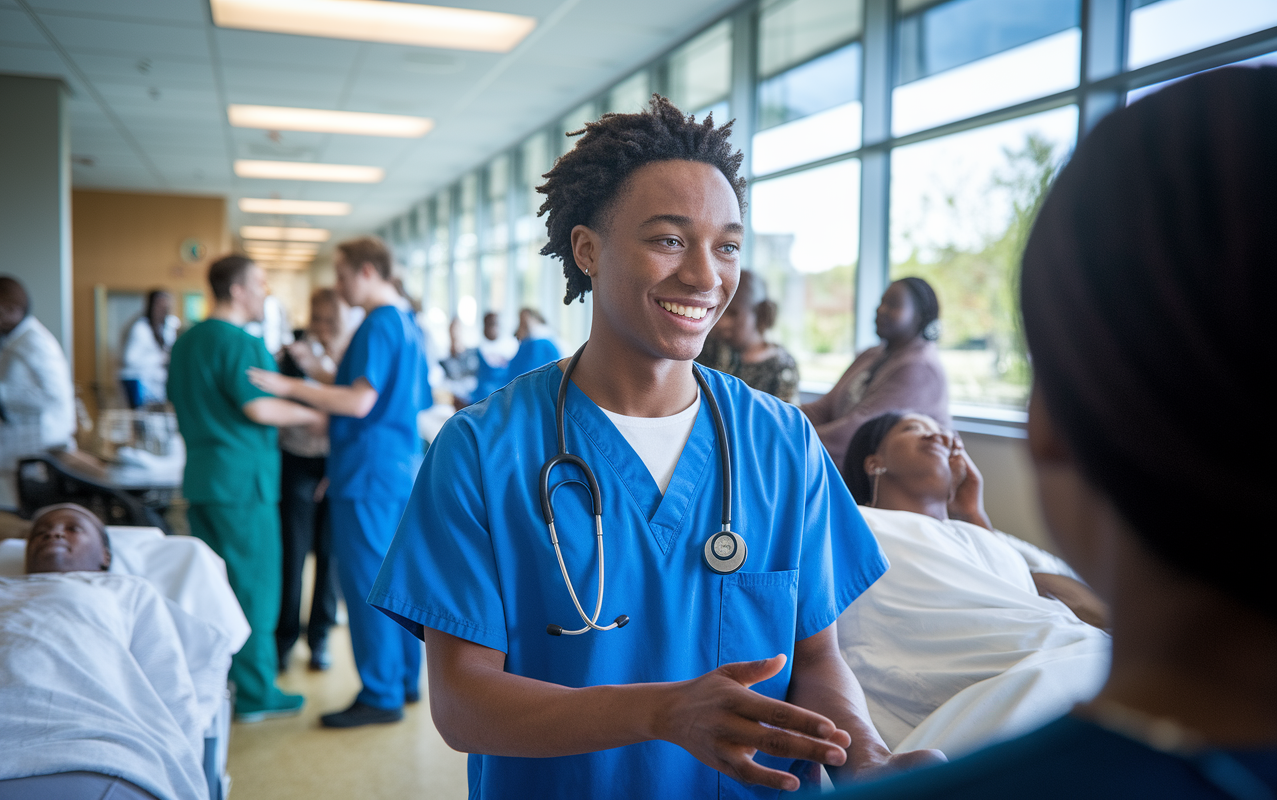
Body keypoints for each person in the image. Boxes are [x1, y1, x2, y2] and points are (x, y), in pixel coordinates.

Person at [368, 96, 943, 799]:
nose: (706, 276)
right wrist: (661, 712)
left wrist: (866, 761)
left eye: (726, 245)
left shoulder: (780, 444)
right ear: (587, 249)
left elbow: (817, 656)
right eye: (670, 239)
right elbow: (463, 705)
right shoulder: (483, 451)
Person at [837, 67, 1277, 799]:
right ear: (874, 460)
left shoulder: (995, 550)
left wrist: (981, 528)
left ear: (1050, 426)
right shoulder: (856, 529)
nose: (946, 440)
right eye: (921, 433)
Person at [836, 412, 1110, 754]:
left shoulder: (981, 537)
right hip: (979, 681)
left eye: (944, 433)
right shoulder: (854, 523)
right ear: (874, 462)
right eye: (914, 428)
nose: (939, 437)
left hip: (1066, 653)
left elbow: (1019, 597)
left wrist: (972, 512)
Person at [248, 236, 429, 729]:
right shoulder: (408, 325)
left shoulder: (377, 325)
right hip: (390, 471)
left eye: (343, 274)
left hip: (368, 475)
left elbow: (357, 403)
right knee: (397, 583)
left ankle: (380, 692)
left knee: (370, 586)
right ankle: (405, 681)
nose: (339, 284)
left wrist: (290, 386)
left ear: (369, 271)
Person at [167, 255, 324, 723]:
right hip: (244, 486)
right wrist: (314, 415)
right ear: (236, 290)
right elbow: (260, 409)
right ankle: (256, 692)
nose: (265, 292)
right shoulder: (240, 342)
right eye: (259, 283)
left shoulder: (187, 341)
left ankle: (220, 680)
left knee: (213, 586)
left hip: (202, 479)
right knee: (254, 588)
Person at [0, 504, 218, 800]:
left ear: (105, 556)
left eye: (73, 528)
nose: (53, 532)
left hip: (90, 750)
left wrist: (184, 778)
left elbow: (170, 688)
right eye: (40, 532)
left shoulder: (126, 591)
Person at [273, 288, 354, 673]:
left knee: (330, 557)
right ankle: (284, 637)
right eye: (319, 318)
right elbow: (280, 405)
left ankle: (318, 637)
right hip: (298, 461)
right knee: (293, 553)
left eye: (332, 319)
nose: (325, 326)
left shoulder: (351, 358)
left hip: (336, 464)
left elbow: (356, 412)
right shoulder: (291, 356)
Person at [801, 278, 949, 469]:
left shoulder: (919, 368)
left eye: (893, 305)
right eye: (881, 302)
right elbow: (823, 408)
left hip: (892, 486)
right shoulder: (871, 354)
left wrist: (792, 439)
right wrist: (778, 419)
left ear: (919, 316)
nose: (880, 310)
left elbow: (858, 432)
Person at [0, 275, 76, 510]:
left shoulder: (35, 342)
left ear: (13, 310)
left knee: (30, 514)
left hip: (40, 445)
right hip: (18, 444)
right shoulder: (12, 341)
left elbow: (53, 395)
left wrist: (1, 392)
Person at [697, 269, 799, 402]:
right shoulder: (709, 347)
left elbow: (783, 418)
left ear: (761, 313)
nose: (721, 323)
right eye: (718, 309)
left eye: (732, 313)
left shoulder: (782, 367)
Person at [119, 289, 180, 407]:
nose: (163, 308)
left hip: (157, 383)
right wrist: (160, 358)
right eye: (160, 304)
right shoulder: (141, 328)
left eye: (166, 304)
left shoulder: (168, 326)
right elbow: (129, 359)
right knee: (143, 420)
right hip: (138, 381)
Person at [471, 311, 519, 403]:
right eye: (488, 325)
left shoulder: (512, 347)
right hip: (482, 399)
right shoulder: (478, 349)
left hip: (506, 398)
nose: (492, 329)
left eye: (494, 324)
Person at [507, 307, 562, 380]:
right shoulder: (528, 343)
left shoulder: (540, 343)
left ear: (535, 319)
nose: (521, 328)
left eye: (524, 323)